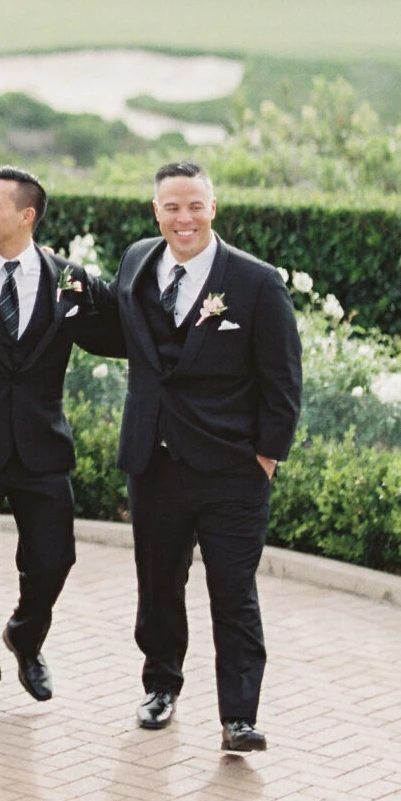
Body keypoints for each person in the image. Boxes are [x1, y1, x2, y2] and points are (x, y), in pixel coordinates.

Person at [104, 160, 302, 753]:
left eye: (194, 205)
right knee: (158, 584)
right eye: (171, 207)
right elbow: (122, 332)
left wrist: (265, 459)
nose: (183, 217)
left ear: (213, 208)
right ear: (156, 211)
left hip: (232, 472)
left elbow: (283, 380)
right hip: (155, 463)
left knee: (233, 592)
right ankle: (161, 686)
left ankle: (238, 716)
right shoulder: (138, 261)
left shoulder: (257, 282)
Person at [0, 167, 121, 729]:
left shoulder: (71, 280)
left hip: (41, 447)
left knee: (53, 559)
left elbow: (114, 336)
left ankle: (26, 632)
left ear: (27, 216)